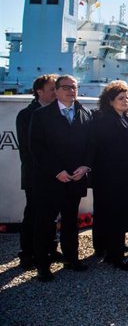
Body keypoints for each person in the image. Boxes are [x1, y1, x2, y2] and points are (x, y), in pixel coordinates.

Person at [29, 75, 93, 281]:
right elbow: (36, 148)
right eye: (66, 87)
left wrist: (85, 166)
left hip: (75, 179)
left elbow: (92, 145)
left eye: (74, 87)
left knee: (70, 222)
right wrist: (56, 171)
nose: (71, 91)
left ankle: (71, 259)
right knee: (45, 223)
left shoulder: (85, 114)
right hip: (50, 180)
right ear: (55, 91)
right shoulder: (41, 115)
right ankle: (42, 265)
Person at [91, 82, 128, 270]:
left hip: (123, 176)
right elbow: (113, 150)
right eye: (121, 98)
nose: (126, 101)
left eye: (127, 98)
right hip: (112, 177)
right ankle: (116, 256)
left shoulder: (126, 118)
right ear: (110, 101)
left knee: (116, 215)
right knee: (114, 215)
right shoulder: (107, 120)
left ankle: (109, 249)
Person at [15, 74, 59, 269]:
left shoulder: (57, 114)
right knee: (33, 215)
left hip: (57, 175)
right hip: (36, 175)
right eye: (52, 89)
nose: (56, 93)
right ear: (39, 91)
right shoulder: (27, 115)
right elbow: (29, 149)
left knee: (51, 215)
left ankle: (50, 247)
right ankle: (27, 253)